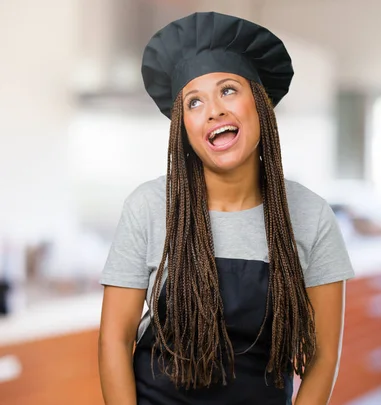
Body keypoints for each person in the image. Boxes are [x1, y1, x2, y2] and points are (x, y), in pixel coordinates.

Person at [98, 11, 355, 405]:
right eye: (194, 102)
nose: (213, 110)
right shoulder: (149, 207)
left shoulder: (311, 215)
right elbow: (115, 339)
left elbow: (323, 355)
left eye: (229, 90)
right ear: (183, 127)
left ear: (261, 103)